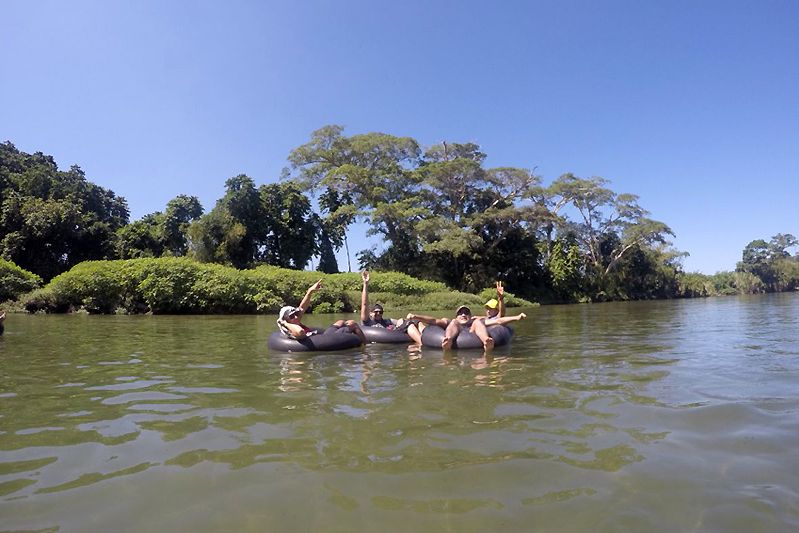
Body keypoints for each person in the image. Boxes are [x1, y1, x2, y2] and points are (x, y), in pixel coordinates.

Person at [276, 280, 366, 345]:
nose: (296, 317)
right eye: (292, 316)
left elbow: (302, 307)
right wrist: (284, 323)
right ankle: (365, 346)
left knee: (341, 322)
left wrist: (310, 291)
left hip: (322, 336)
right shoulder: (290, 328)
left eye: (295, 314)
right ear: (285, 319)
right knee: (352, 323)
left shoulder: (294, 320)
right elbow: (300, 332)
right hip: (325, 341)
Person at [360, 270, 424, 344]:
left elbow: (402, 321)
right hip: (380, 340)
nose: (378, 313)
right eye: (376, 312)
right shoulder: (367, 322)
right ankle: (422, 343)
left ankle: (427, 337)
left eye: (380, 312)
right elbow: (364, 304)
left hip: (396, 338)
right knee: (408, 324)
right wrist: (365, 284)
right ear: (370, 313)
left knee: (412, 322)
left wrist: (407, 320)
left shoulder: (387, 321)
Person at [407, 305, 494, 351]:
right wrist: (416, 316)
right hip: (451, 334)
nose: (463, 315)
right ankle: (448, 340)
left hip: (475, 332)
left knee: (478, 322)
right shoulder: (452, 322)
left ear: (470, 316)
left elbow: (498, 320)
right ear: (456, 316)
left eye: (466, 313)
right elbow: (433, 321)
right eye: (460, 313)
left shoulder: (474, 321)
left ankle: (486, 341)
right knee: (453, 322)